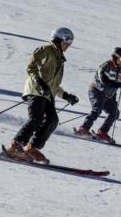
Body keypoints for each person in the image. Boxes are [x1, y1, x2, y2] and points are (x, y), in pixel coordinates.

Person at [6, 27, 79, 164]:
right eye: (67, 40)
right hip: (36, 90)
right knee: (36, 118)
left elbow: (54, 84)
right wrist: (40, 82)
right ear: (59, 38)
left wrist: (66, 95)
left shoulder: (60, 59)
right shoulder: (45, 49)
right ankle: (15, 146)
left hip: (47, 94)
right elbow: (31, 67)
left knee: (52, 120)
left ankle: (31, 148)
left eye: (71, 42)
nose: (69, 44)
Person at [75, 47, 121, 142]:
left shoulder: (120, 70)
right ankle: (83, 129)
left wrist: (114, 100)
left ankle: (102, 132)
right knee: (97, 110)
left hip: (107, 96)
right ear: (116, 57)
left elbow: (114, 88)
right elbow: (104, 81)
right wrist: (117, 84)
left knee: (115, 112)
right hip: (96, 91)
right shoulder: (106, 65)